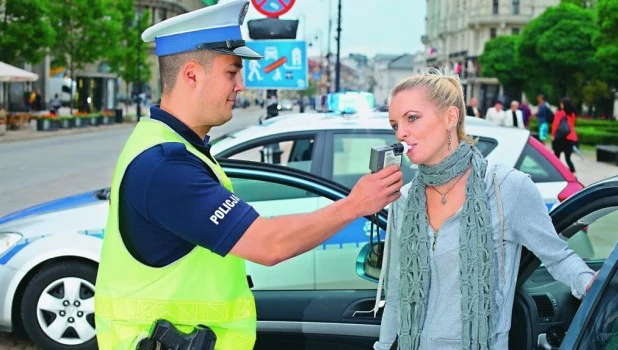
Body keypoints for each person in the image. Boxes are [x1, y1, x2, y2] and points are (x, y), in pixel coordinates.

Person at [93, 2, 403, 349]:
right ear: (191, 74)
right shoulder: (166, 166)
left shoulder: (174, 146)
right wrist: (354, 205)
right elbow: (269, 244)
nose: (240, 85)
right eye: (232, 72)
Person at [373, 69, 597, 350]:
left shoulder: (507, 189)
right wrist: (383, 346)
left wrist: (592, 285)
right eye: (395, 124)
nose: (401, 132)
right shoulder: (405, 199)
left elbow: (557, 257)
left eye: (412, 118)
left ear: (451, 117)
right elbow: (396, 292)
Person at [551, 97, 578, 174]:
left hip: (560, 138)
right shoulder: (572, 114)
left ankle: (556, 172)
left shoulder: (559, 113)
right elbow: (571, 126)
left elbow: (555, 125)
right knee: (568, 158)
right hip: (570, 138)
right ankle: (573, 172)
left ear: (564, 104)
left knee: (556, 157)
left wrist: (553, 135)